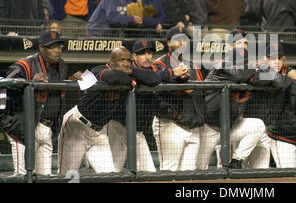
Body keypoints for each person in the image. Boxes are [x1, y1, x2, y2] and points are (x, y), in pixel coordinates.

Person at [58, 46, 161, 174]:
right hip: (78, 124)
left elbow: (154, 78)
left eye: (128, 60)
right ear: (111, 61)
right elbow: (113, 77)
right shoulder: (100, 69)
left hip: (98, 133)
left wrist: (131, 71)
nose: (125, 63)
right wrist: (130, 75)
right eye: (121, 60)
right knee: (67, 175)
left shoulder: (128, 71)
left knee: (110, 175)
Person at [1, 30, 81, 175]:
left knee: (45, 177)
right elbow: (5, 84)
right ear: (41, 48)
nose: (57, 51)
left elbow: (55, 88)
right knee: (23, 177)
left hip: (47, 127)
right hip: (24, 127)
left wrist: (71, 80)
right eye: (52, 47)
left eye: (59, 47)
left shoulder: (62, 66)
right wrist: (29, 82)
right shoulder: (25, 65)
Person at [107, 40, 175, 173]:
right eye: (142, 54)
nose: (147, 57)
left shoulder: (152, 70)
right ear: (134, 57)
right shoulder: (125, 69)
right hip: (119, 128)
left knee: (149, 172)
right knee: (114, 172)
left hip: (138, 132)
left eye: (149, 53)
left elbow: (153, 78)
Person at [198, 47, 267, 170]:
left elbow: (272, 79)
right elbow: (239, 74)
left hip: (229, 128)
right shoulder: (221, 66)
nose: (243, 65)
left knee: (258, 125)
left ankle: (236, 160)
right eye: (239, 62)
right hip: (208, 128)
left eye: (245, 62)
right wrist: (255, 68)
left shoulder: (245, 72)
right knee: (198, 168)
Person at [153, 26, 205, 171]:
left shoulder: (194, 65)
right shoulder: (160, 64)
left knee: (189, 175)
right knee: (169, 172)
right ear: (169, 43)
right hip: (170, 124)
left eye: (185, 40)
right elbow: (155, 94)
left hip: (192, 126)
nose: (183, 44)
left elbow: (200, 93)